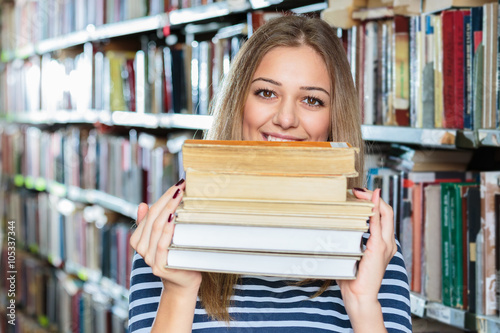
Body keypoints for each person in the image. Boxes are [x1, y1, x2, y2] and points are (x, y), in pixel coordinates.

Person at [128, 15, 412, 333]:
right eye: (267, 93)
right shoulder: (165, 239)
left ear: (333, 119)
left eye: (311, 100)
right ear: (238, 102)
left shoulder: (374, 248)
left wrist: (363, 306)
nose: (286, 118)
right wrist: (178, 293)